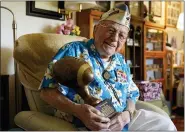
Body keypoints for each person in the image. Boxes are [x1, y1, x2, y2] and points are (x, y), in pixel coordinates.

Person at [39, 4, 177, 131]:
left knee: (165, 125)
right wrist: (78, 111)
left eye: (122, 35)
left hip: (122, 120)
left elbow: (131, 94)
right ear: (96, 29)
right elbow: (46, 92)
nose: (115, 39)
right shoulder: (72, 50)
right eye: (111, 30)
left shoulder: (120, 60)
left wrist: (127, 114)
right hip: (90, 121)